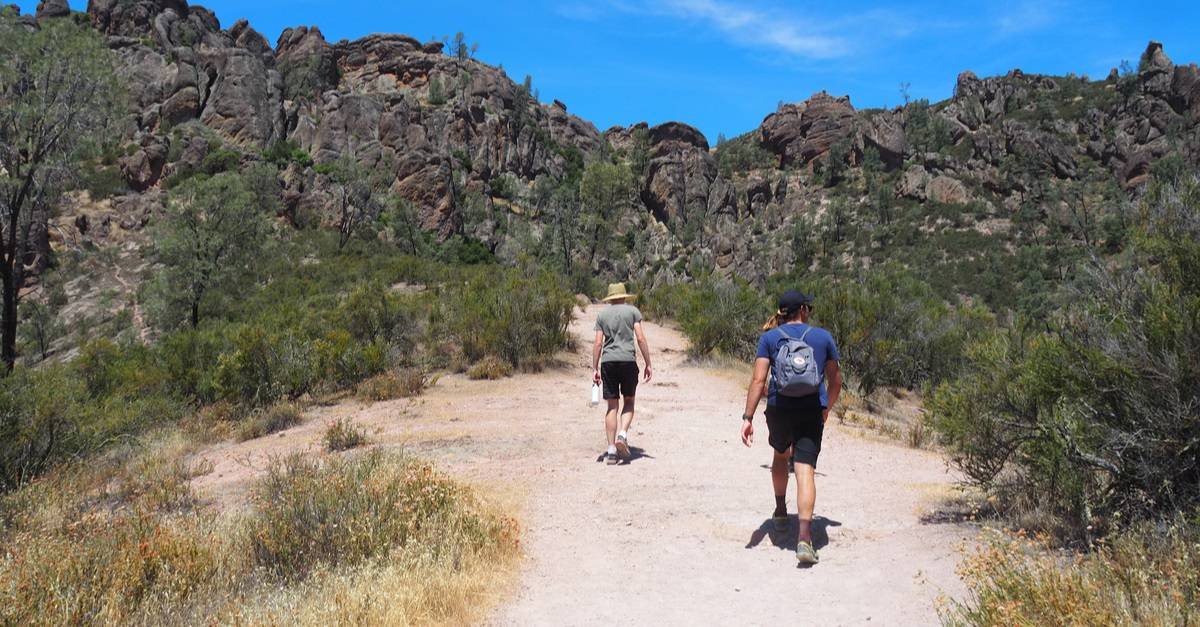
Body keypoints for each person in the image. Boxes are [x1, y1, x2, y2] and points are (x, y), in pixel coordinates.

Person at [740, 290, 842, 565]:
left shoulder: (769, 338)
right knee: (805, 469)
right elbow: (835, 381)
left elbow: (759, 379)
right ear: (803, 311)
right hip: (810, 409)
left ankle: (781, 511)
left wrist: (747, 417)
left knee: (780, 456)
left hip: (779, 408)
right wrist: (826, 408)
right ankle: (805, 539)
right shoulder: (823, 337)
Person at [592, 283, 653, 465]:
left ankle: (611, 451)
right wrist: (648, 363)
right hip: (628, 361)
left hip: (608, 362)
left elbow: (597, 344)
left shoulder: (602, 315)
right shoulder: (633, 312)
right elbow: (640, 338)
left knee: (612, 406)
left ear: (610, 298)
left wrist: (595, 368)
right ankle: (622, 434)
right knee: (629, 401)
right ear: (624, 296)